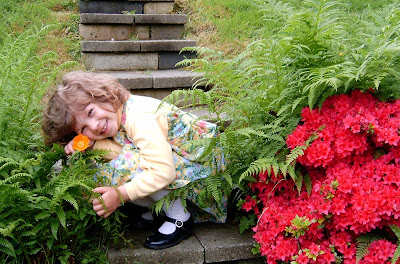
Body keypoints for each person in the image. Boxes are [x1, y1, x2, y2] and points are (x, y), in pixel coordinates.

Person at [42, 71, 226, 250]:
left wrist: (119, 194)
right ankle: (160, 208)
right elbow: (126, 153)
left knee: (111, 171)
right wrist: (89, 145)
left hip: (208, 177)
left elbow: (162, 171)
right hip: (184, 168)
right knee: (103, 165)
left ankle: (179, 217)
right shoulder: (117, 115)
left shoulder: (139, 116)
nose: (94, 126)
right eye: (83, 128)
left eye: (90, 112)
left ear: (102, 95)